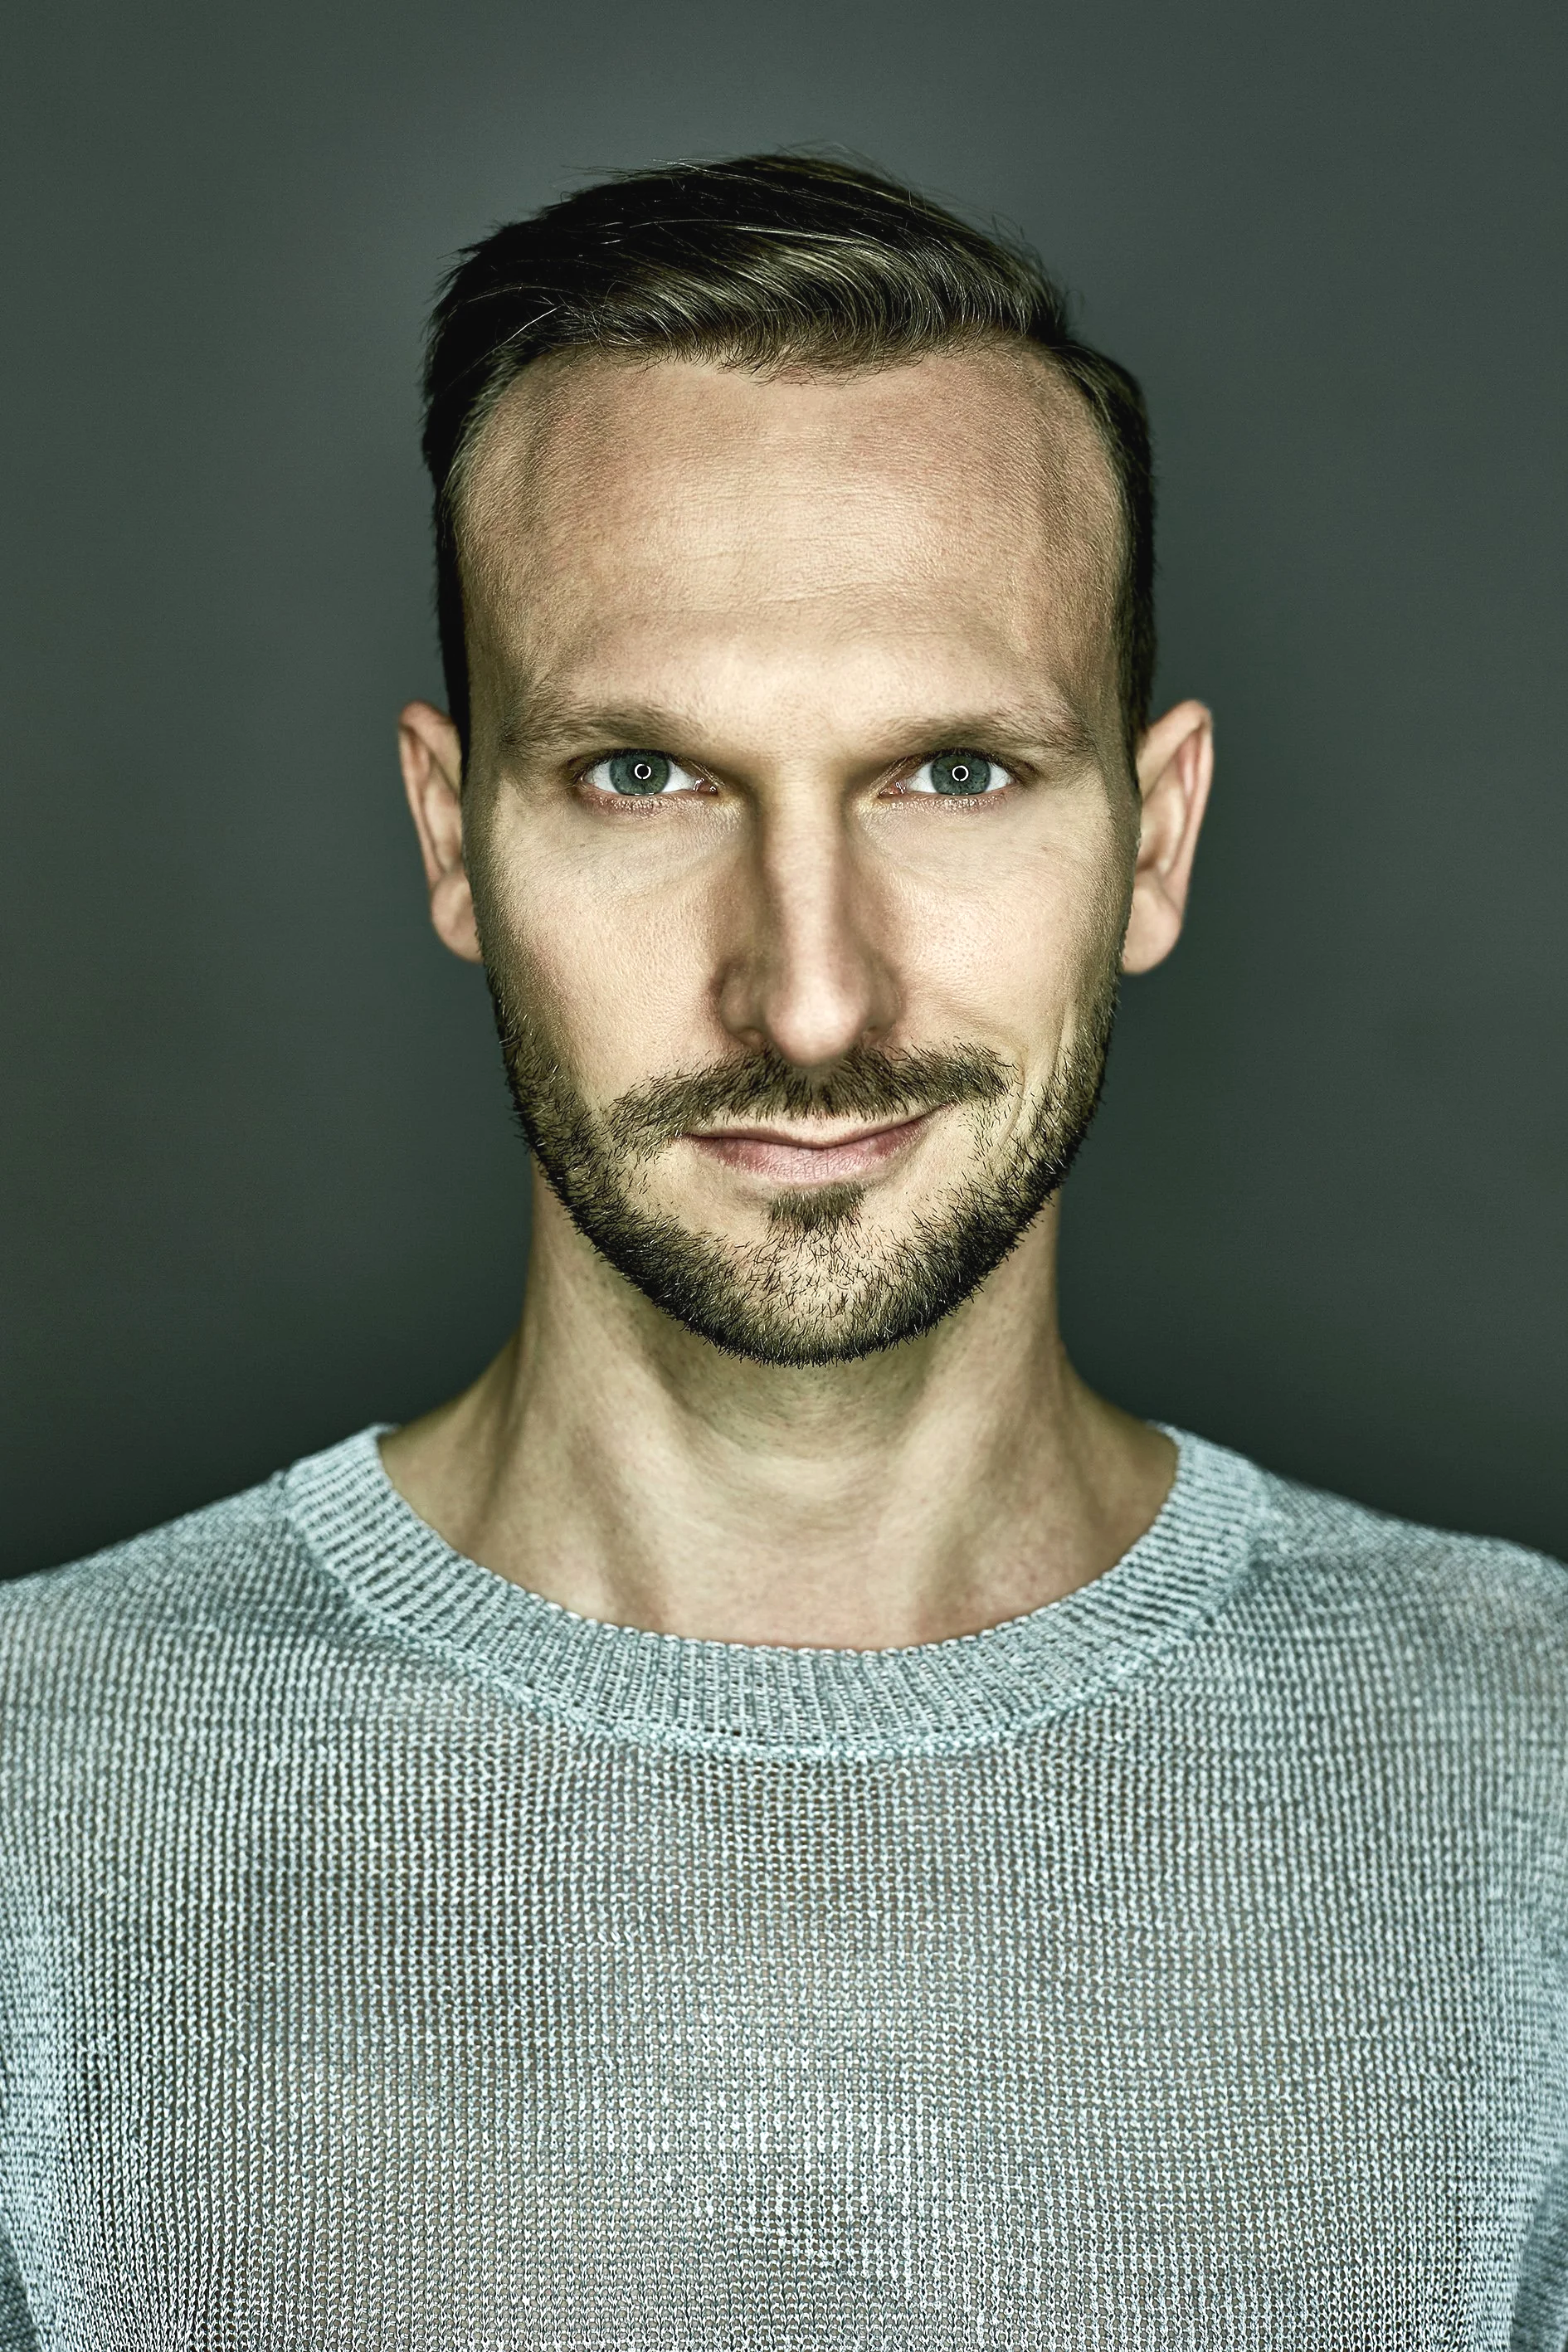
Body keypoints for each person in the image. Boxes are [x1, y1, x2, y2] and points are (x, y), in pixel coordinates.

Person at [0, 153, 1561, 2349]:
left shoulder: (1532, 1785)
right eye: (646, 778)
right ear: (457, 835)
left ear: (1157, 832)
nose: (810, 1001)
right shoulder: (35, 1806)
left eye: (952, 773)